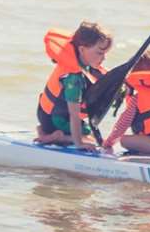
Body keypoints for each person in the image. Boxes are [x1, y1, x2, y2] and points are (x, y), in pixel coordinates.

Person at [35, 21, 112, 151]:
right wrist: (79, 143)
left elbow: (102, 75)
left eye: (105, 54)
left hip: (47, 114)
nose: (103, 58)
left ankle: (44, 131)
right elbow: (74, 114)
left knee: (91, 134)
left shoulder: (80, 61)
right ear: (82, 49)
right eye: (99, 53)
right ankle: (57, 136)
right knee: (92, 140)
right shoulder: (73, 79)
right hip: (55, 120)